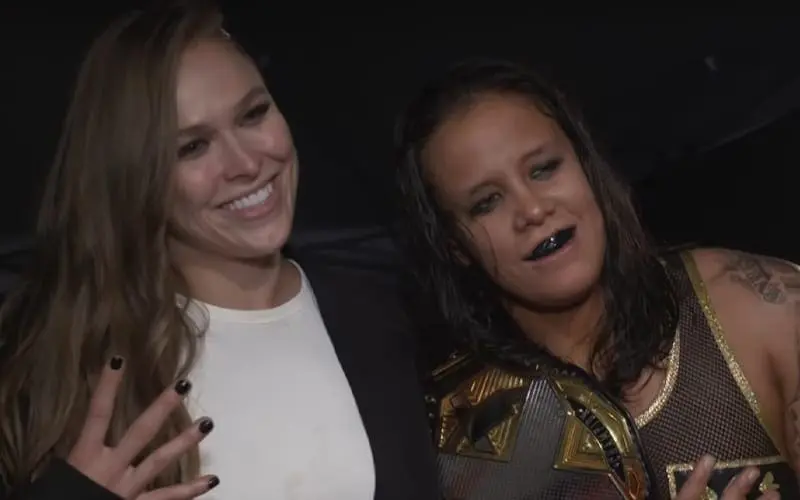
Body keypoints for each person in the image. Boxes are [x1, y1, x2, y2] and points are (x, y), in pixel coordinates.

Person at [0, 2, 439, 499]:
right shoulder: (65, 368)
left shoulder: (390, 313)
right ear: (133, 178)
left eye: (253, 114)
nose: (246, 163)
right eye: (192, 147)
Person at [393, 59, 797, 499]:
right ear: (454, 245)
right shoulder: (459, 445)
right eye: (487, 202)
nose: (532, 210)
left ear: (586, 164)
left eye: (544, 169)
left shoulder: (754, 304)